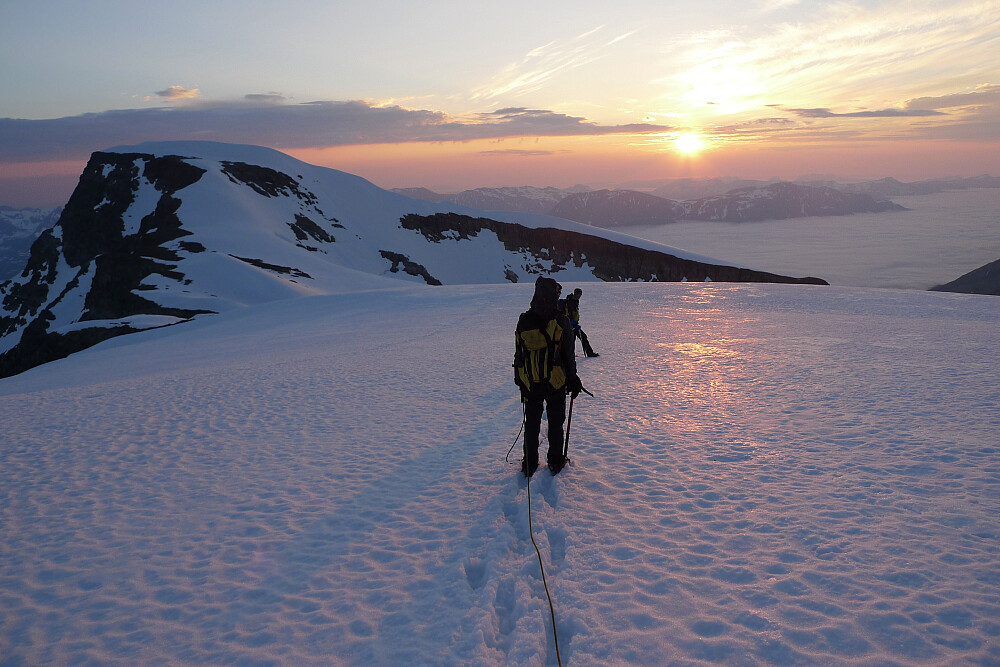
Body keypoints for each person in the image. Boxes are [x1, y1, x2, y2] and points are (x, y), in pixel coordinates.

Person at [514, 276, 583, 477]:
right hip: (555, 382)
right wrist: (573, 379)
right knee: (555, 424)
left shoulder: (524, 320)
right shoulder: (560, 320)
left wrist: (519, 378)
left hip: (530, 381)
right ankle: (555, 462)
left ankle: (529, 464)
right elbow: (568, 356)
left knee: (532, 424)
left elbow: (519, 352)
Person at [563, 288, 599, 357]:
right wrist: (573, 322)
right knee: (576, 338)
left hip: (574, 324)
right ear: (575, 294)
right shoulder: (570, 302)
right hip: (571, 325)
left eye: (580, 294)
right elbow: (569, 314)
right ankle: (571, 355)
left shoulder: (575, 301)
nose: (579, 296)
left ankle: (572, 354)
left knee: (578, 338)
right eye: (578, 294)